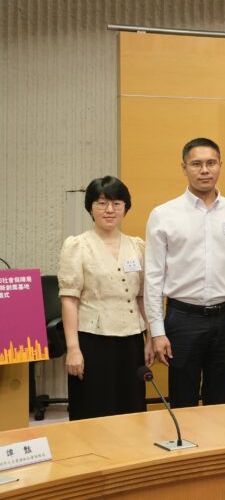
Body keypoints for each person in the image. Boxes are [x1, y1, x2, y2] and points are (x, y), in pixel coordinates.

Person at [145, 138, 225, 407]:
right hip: (183, 319)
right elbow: (154, 277)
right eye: (197, 164)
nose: (205, 170)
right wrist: (157, 331)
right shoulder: (163, 214)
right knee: (183, 399)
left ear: (220, 166)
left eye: (211, 163)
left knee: (221, 398)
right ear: (184, 168)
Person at [57, 176, 153, 420]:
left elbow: (142, 297)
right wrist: (73, 349)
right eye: (101, 203)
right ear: (90, 207)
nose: (109, 210)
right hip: (92, 341)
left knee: (131, 407)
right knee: (94, 405)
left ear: (125, 207)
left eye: (117, 203)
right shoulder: (77, 246)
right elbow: (69, 299)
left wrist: (150, 337)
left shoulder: (138, 246)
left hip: (131, 339)